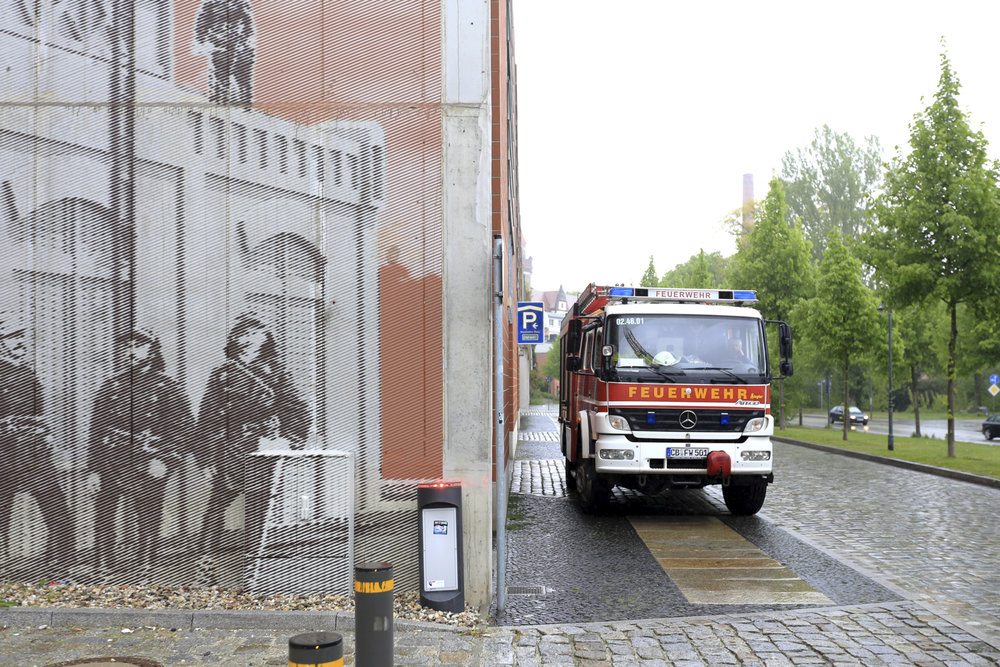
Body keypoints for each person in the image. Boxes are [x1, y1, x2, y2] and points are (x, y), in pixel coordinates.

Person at [197, 314, 310, 555]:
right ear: (234, 339)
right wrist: (205, 458)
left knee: (258, 508)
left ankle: (255, 565)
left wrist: (289, 441)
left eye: (254, 333)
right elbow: (206, 419)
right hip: (229, 449)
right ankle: (205, 566)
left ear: (265, 338)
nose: (247, 339)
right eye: (242, 334)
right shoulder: (221, 374)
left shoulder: (277, 372)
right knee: (216, 505)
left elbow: (298, 408)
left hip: (263, 448)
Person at [88, 328, 195, 574]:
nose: (130, 351)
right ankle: (104, 567)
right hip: (111, 460)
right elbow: (96, 432)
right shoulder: (110, 386)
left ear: (152, 349)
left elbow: (186, 430)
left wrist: (165, 460)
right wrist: (93, 470)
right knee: (104, 514)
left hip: (149, 460)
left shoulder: (168, 388)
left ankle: (146, 567)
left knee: (147, 513)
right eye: (126, 346)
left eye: (138, 345)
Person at [0, 317, 75, 569]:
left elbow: (40, 417)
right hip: (5, 454)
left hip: (35, 455)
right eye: (13, 338)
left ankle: (60, 569)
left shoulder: (28, 372)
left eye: (22, 337)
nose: (21, 342)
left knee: (58, 512)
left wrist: (55, 447)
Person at [193, 0, 256, 104]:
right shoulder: (211, 3)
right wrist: (201, 40)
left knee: (241, 78)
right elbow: (202, 24)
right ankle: (220, 101)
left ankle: (243, 105)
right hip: (222, 44)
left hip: (237, 45)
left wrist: (243, 41)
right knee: (221, 75)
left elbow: (248, 25)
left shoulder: (241, 3)